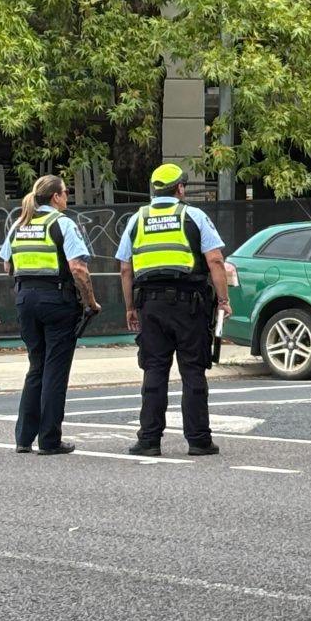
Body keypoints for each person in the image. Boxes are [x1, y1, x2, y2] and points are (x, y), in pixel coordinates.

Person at [116, 164, 231, 456]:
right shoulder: (193, 216)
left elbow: (125, 269)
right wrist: (222, 300)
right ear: (179, 189)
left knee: (154, 370)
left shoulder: (136, 220)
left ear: (155, 190)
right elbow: (215, 260)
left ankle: (149, 440)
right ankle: (198, 440)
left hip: (150, 305)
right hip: (189, 304)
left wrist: (130, 307)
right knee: (192, 371)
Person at [0, 174, 101, 455]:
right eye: (65, 192)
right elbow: (78, 268)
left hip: (25, 299)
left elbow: (7, 266)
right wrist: (91, 302)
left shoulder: (19, 225)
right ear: (55, 196)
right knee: (55, 368)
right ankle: (49, 439)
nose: (67, 197)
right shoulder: (62, 224)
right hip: (56, 299)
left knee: (36, 366)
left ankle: (23, 438)